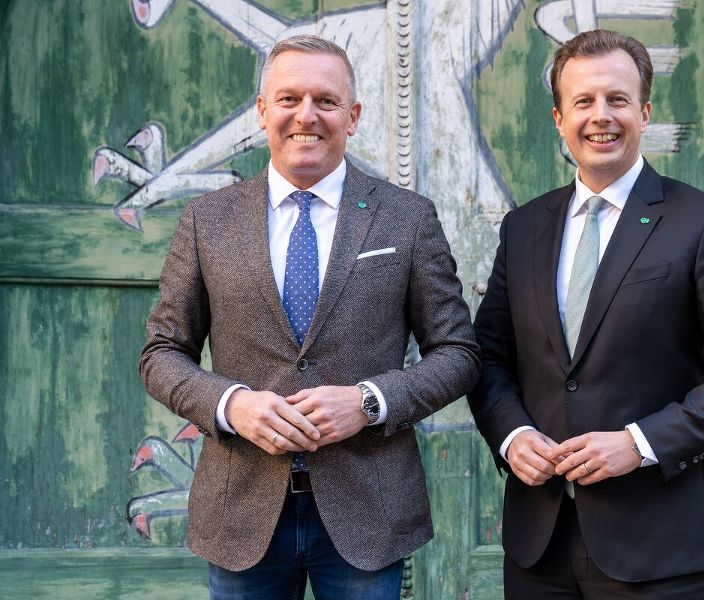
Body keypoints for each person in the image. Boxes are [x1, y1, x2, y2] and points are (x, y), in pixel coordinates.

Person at [140, 34, 479, 599]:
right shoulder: (207, 220)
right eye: (289, 98)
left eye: (325, 100)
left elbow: (459, 352)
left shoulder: (406, 219)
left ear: (353, 116)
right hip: (241, 510)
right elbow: (161, 353)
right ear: (262, 111)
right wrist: (232, 404)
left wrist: (369, 402)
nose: (306, 115)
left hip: (368, 511)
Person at [468, 29, 704, 599]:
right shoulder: (523, 228)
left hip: (665, 546)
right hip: (539, 545)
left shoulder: (703, 222)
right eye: (583, 101)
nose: (601, 116)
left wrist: (639, 443)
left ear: (644, 112)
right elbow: (489, 357)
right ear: (559, 118)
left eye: (617, 99)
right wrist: (512, 435)